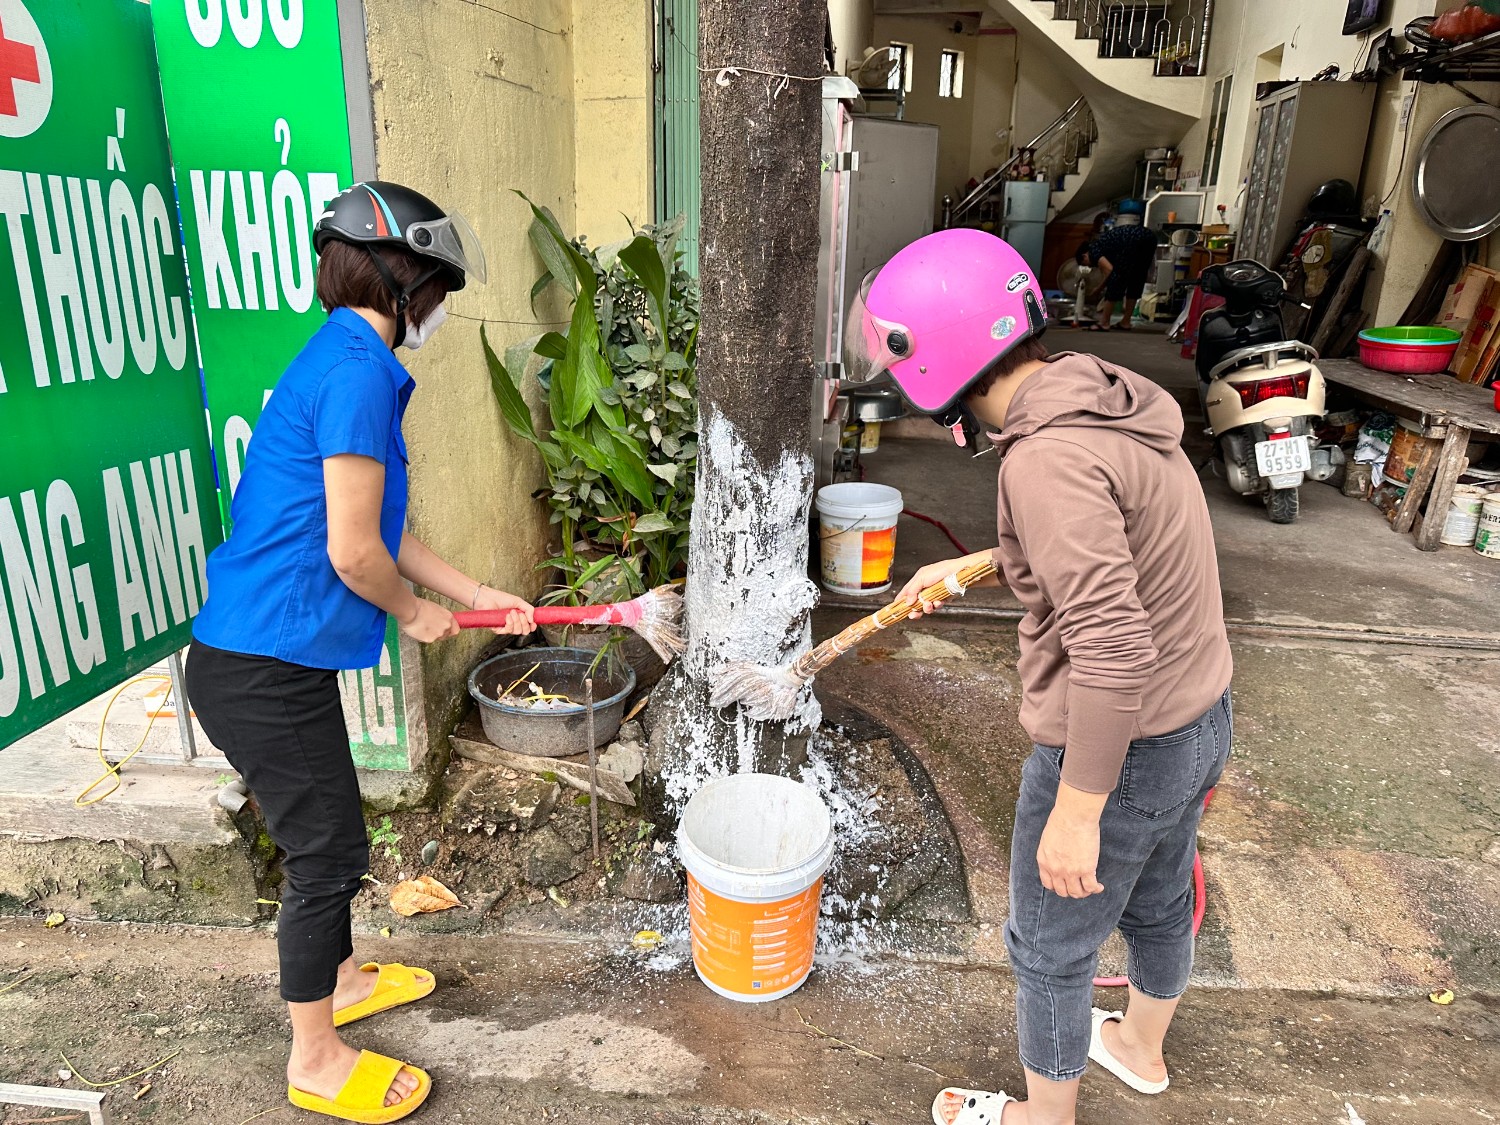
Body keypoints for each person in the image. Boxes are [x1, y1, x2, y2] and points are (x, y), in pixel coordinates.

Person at [844, 227, 1233, 1125]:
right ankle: (1138, 1047)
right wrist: (983, 561)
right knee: (1161, 898)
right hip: (1198, 720)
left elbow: (1112, 644)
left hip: (1121, 748)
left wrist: (1079, 809)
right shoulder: (1100, 398)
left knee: (1051, 947)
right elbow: (1114, 541)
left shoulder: (1044, 459)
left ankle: (1042, 1117)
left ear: (931, 363)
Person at [185, 181, 536, 1123]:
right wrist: (414, 615)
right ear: (401, 278)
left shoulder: (348, 358)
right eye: (439, 287)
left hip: (268, 660)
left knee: (328, 828)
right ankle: (315, 1057)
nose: (439, 307)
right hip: (260, 665)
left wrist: (474, 595)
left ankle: (339, 980)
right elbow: (353, 554)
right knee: (328, 852)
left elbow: (380, 530)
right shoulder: (357, 372)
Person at [1079, 213, 1159, 332]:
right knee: (1137, 278)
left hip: (1130, 240)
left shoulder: (1094, 250)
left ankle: (1104, 322)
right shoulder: (1103, 245)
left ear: (1084, 255)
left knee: (1116, 279)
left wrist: (1098, 289)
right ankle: (1126, 322)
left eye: (1086, 263)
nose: (1090, 266)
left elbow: (1109, 270)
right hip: (1149, 237)